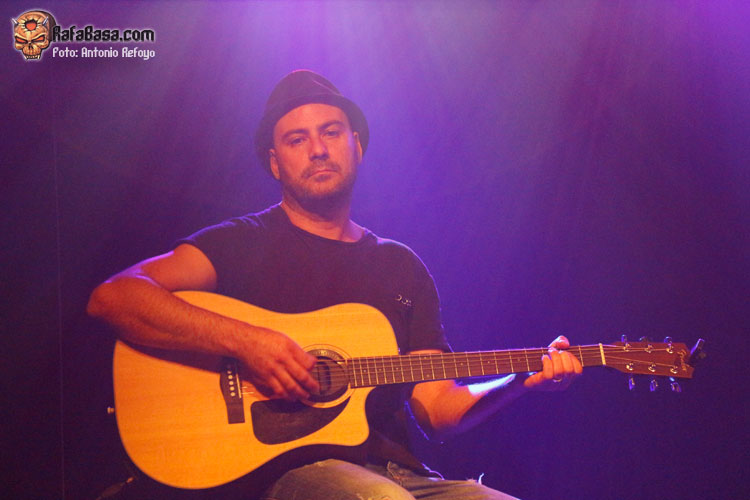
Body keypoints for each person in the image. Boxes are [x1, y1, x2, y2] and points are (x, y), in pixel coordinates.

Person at [88, 70, 582, 500]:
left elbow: (436, 409)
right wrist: (247, 343)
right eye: (297, 139)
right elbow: (115, 297)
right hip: (285, 474)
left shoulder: (401, 266)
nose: (319, 149)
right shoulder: (239, 242)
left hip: (398, 475)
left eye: (331, 132)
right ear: (275, 162)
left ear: (357, 146)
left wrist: (519, 380)